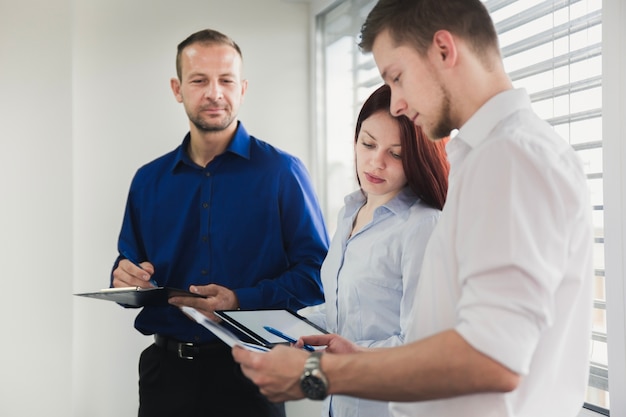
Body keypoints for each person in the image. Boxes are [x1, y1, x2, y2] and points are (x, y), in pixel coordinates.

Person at [232, 1, 594, 416]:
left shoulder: (508, 157)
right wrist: (357, 357)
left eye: (397, 78)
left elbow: (494, 357)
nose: (398, 103)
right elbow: (454, 334)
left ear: (443, 49)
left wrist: (319, 372)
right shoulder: (487, 157)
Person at [111, 28, 329, 417]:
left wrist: (239, 300)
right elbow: (127, 266)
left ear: (242, 88)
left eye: (226, 80)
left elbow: (316, 276)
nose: (215, 92)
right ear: (177, 89)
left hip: (252, 377)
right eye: (199, 80)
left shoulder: (282, 172)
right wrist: (124, 278)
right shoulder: (147, 180)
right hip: (166, 378)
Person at [300, 84, 448, 417]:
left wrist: (344, 353)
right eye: (368, 144)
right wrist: (284, 325)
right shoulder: (350, 212)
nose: (376, 162)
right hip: (340, 402)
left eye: (395, 154)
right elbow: (347, 313)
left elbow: (420, 343)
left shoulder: (423, 226)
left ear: (416, 158)